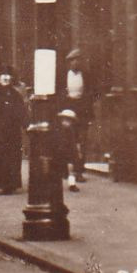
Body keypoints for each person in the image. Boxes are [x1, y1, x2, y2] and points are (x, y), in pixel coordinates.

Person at [64, 49, 89, 182]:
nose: (76, 63)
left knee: (82, 141)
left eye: (78, 60)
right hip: (68, 109)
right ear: (69, 63)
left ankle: (79, 171)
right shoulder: (64, 76)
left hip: (82, 110)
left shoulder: (86, 75)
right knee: (68, 139)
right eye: (73, 61)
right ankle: (66, 170)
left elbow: (92, 92)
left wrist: (87, 104)